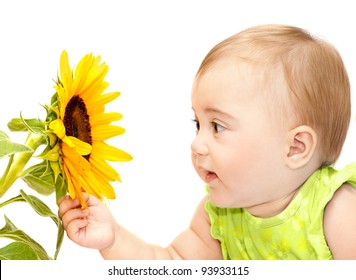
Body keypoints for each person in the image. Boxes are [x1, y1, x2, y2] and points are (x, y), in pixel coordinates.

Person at [58, 24, 356, 260]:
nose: (197, 144)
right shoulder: (219, 216)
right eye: (197, 124)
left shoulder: (335, 211)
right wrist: (114, 239)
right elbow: (173, 264)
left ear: (295, 148)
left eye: (218, 126)